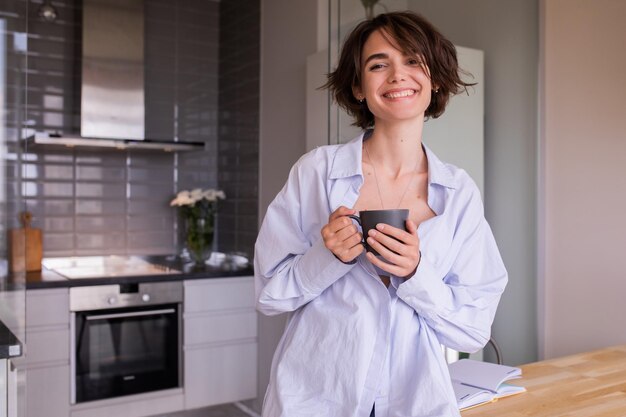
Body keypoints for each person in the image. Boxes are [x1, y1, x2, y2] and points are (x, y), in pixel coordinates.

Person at [254, 10, 507, 417]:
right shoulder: (316, 172)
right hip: (315, 399)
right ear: (358, 87)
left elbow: (472, 328)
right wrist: (328, 257)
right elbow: (269, 295)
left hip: (414, 402)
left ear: (435, 79)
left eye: (412, 60)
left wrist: (414, 274)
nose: (397, 75)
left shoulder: (458, 193)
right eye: (378, 64)